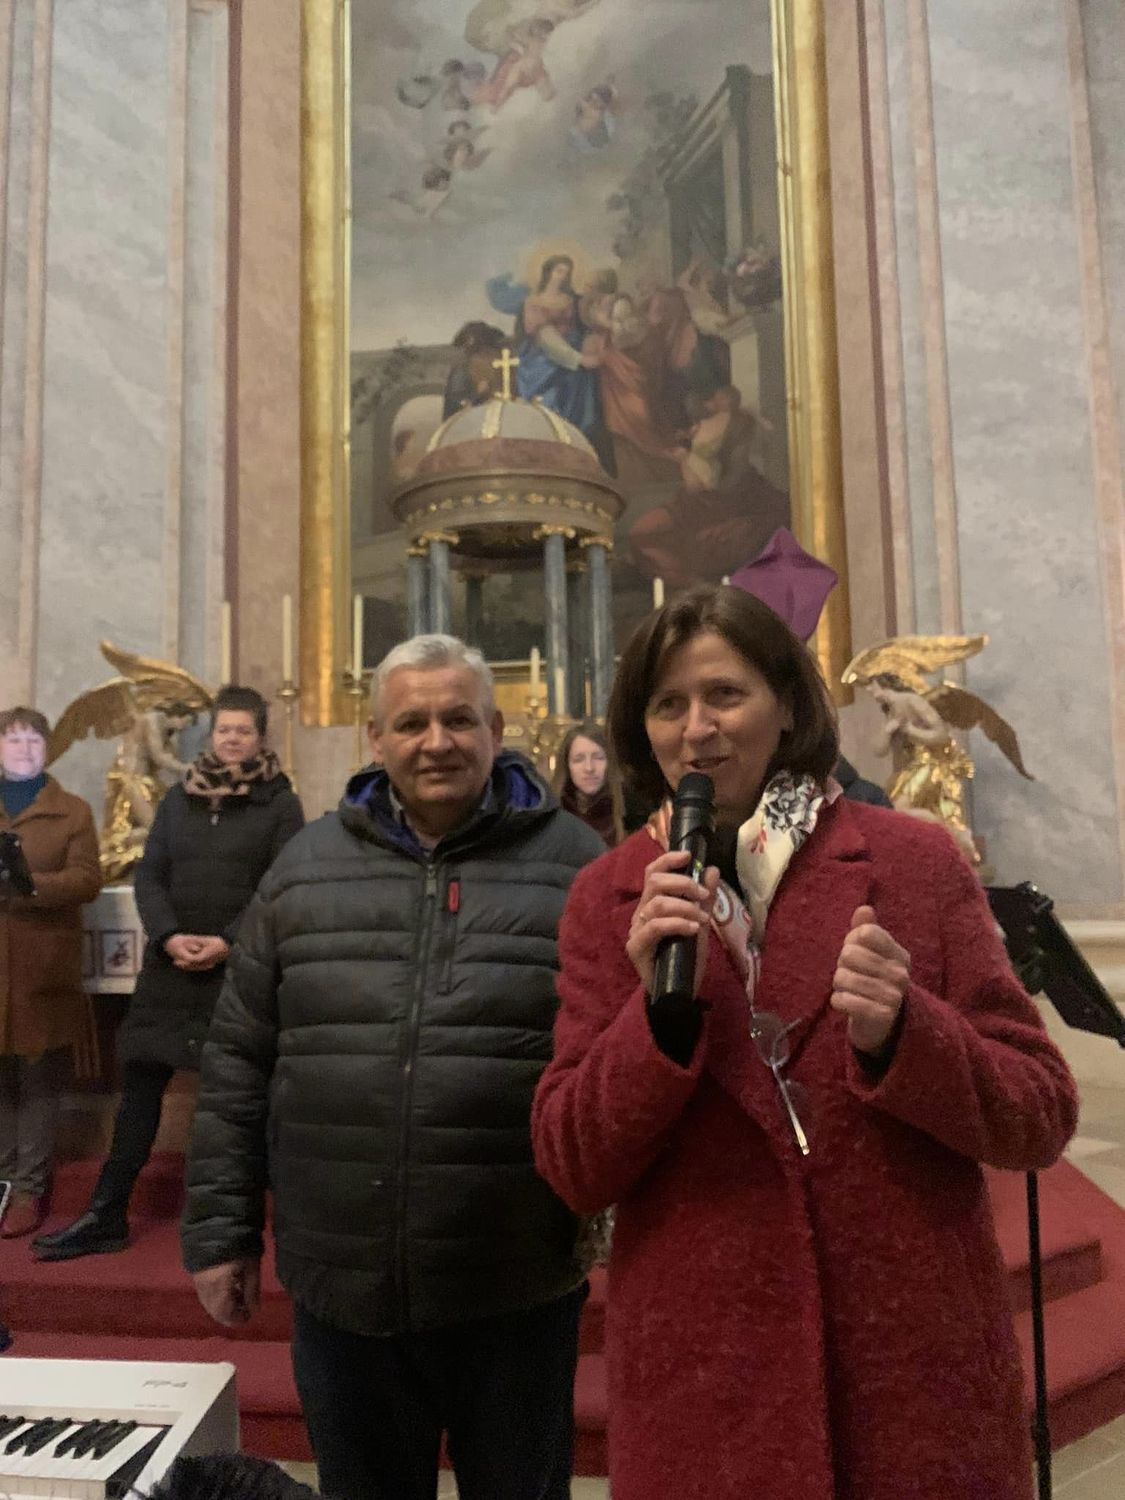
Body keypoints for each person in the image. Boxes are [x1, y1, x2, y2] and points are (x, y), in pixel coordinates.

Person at [531, 584, 1078, 1500]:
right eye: (667, 704)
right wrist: (652, 1020)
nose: (696, 729)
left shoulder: (913, 864)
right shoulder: (608, 896)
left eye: (725, 694)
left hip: (908, 1376)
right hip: (707, 1388)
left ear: (786, 704)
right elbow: (571, 1164)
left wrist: (906, 1032)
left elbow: (1040, 1114)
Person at [180, 635, 605, 1500]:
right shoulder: (304, 868)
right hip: (344, 1283)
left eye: (458, 719)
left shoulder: (576, 865)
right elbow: (238, 1061)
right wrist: (221, 1232)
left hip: (514, 1277)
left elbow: (612, 1062)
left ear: (495, 729)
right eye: (411, 723)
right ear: (374, 738)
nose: (435, 741)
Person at [34, 686, 303, 1261]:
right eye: (224, 730)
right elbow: (151, 874)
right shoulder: (180, 798)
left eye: (244, 731)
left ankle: (247, 1227)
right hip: (171, 968)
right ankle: (106, 1214)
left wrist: (229, 941)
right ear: (212, 734)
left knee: (240, 1097)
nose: (232, 740)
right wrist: (168, 935)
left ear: (261, 738)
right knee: (139, 1090)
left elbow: (280, 885)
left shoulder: (281, 804)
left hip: (239, 971)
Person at [0, 707, 101, 1238]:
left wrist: (27, 884)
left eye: (33, 741)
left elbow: (87, 879)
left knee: (37, 1080)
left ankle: (29, 1187)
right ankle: (2, 1180)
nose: (24, 749)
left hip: (41, 964)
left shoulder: (72, 811)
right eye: (13, 740)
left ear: (47, 748)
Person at [553, 721, 621, 845]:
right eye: (578, 759)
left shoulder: (629, 814)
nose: (589, 768)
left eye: (598, 758)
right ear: (567, 765)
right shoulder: (552, 818)